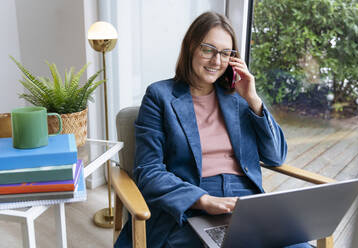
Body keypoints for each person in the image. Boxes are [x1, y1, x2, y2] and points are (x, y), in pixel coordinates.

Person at [115, 11, 311, 248]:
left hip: (244, 201)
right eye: (208, 49)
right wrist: (203, 200)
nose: (217, 61)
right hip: (189, 203)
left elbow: (275, 156)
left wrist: (253, 99)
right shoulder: (160, 96)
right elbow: (148, 171)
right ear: (190, 48)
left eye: (226, 53)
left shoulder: (239, 97)